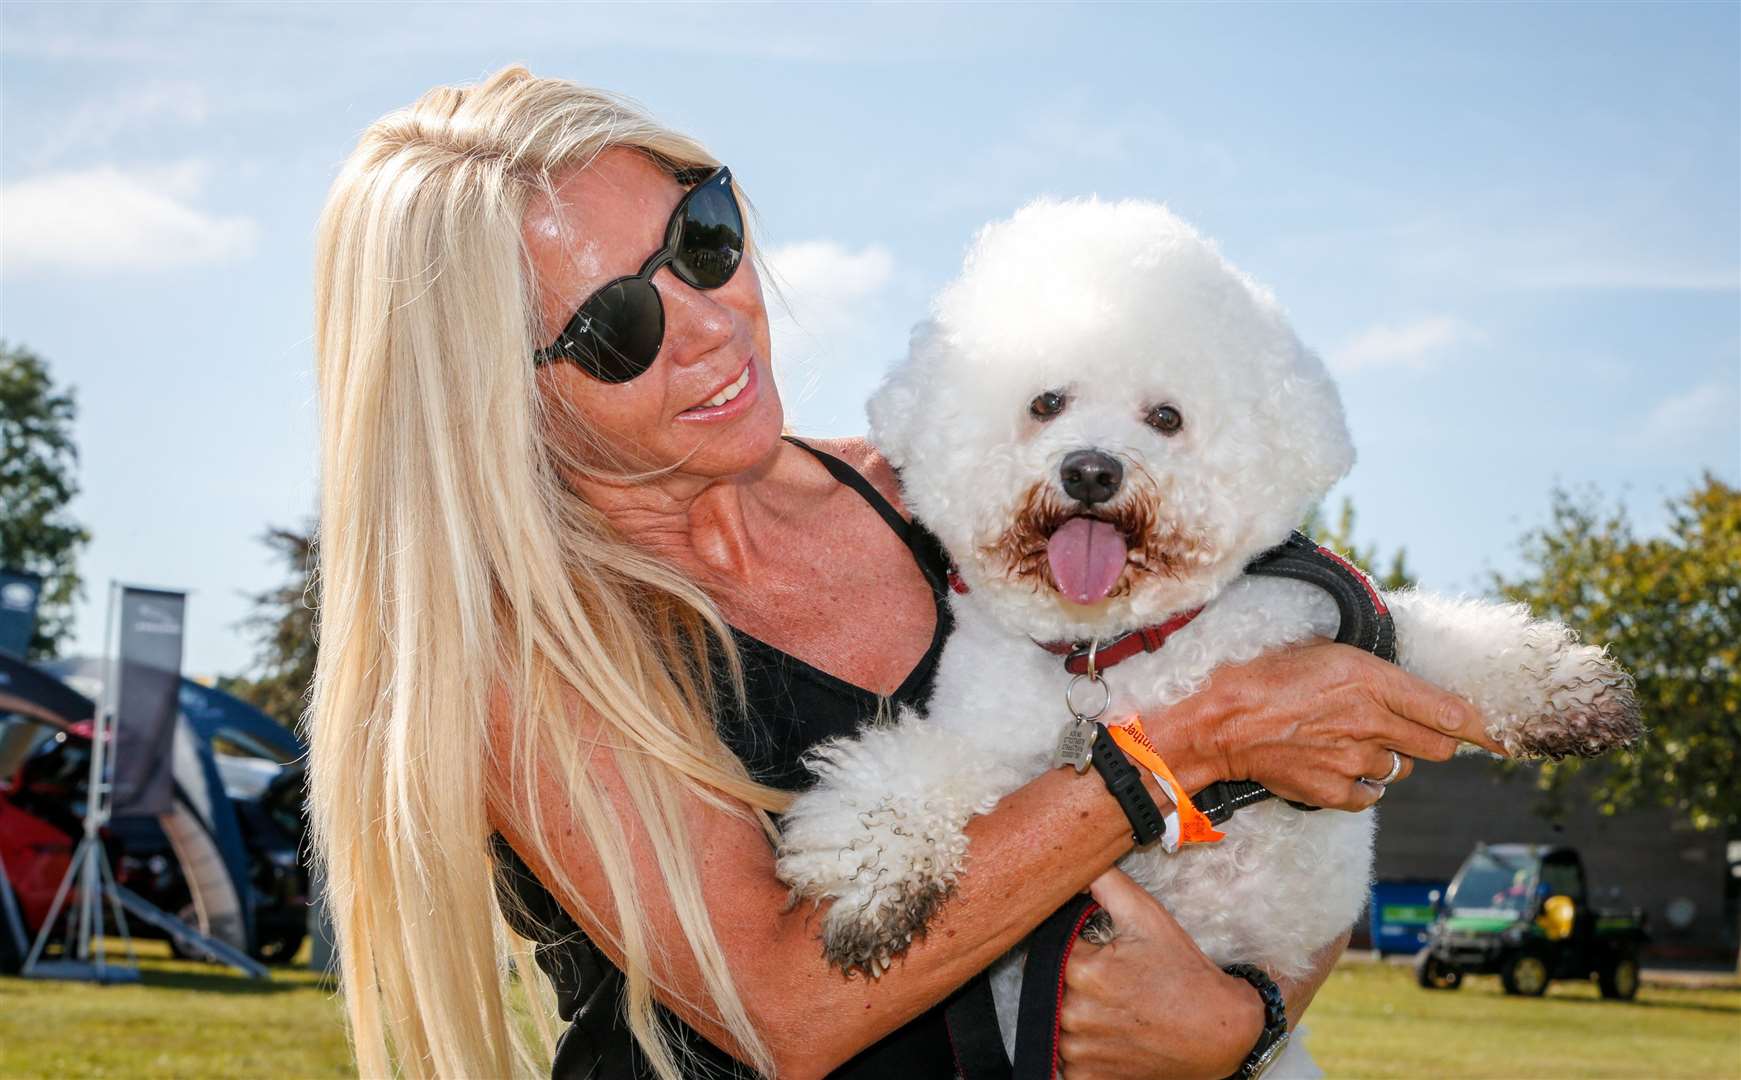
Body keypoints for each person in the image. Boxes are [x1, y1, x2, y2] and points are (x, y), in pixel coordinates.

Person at [306, 65, 1498, 1080]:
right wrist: (1174, 752)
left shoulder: (955, 486)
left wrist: (1243, 1019)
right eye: (617, 326)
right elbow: (787, 1009)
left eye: (701, 240)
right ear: (493, 398)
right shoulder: (535, 654)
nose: (713, 322)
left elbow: (1300, 807)